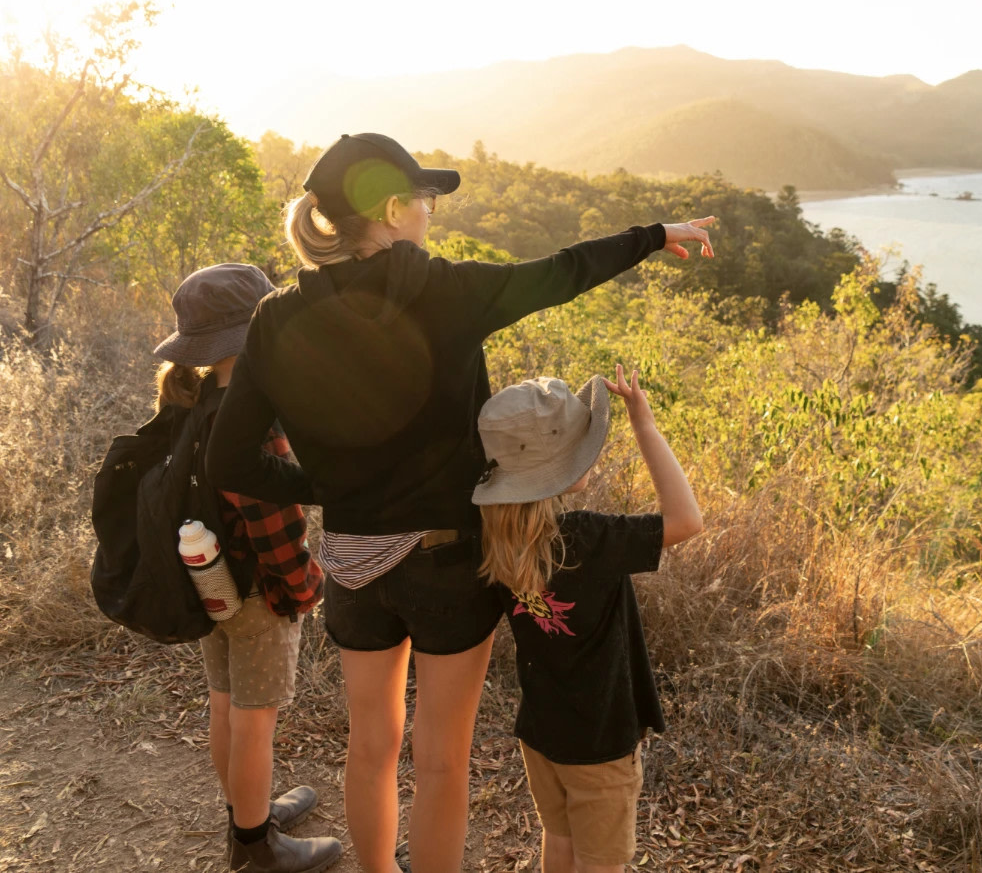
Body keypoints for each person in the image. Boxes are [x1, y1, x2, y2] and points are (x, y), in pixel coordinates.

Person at [205, 132, 714, 873]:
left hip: (353, 562)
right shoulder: (446, 291)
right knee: (442, 760)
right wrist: (655, 235)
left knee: (370, 748)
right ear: (391, 208)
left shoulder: (276, 318)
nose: (431, 211)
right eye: (425, 198)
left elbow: (229, 457)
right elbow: (561, 273)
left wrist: (325, 489)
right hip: (449, 560)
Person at [472, 366, 702, 873]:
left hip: (541, 731)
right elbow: (687, 520)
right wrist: (643, 422)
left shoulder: (493, 541)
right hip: (600, 744)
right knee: (600, 861)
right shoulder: (586, 539)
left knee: (560, 839)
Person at [152, 263, 341, 873]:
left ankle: (246, 813)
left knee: (225, 704)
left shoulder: (196, 398)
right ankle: (256, 847)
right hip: (262, 591)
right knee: (256, 722)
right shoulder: (255, 415)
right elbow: (273, 521)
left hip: (211, 584)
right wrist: (301, 587)